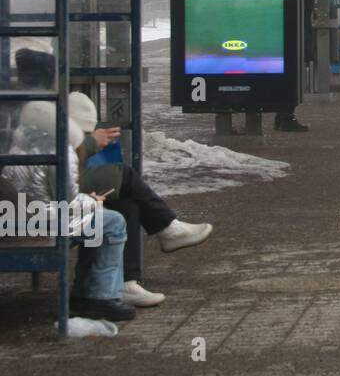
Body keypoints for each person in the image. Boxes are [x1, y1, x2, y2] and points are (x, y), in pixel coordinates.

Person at [69, 91, 212, 308]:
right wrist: (88, 143)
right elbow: (60, 169)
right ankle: (168, 228)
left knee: (126, 201)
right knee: (123, 174)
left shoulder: (37, 107)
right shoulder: (39, 117)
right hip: (42, 209)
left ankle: (126, 282)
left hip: (53, 201)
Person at [4, 100, 134, 323]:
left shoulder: (17, 144)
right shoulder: (62, 149)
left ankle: (87, 292)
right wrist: (93, 200)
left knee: (96, 224)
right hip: (41, 226)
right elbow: (70, 205)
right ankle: (99, 297)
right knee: (113, 222)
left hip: (13, 220)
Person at [274, 0, 313, 132]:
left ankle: (282, 115)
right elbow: (305, 13)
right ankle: (286, 116)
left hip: (293, 38)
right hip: (297, 39)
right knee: (294, 79)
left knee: (290, 78)